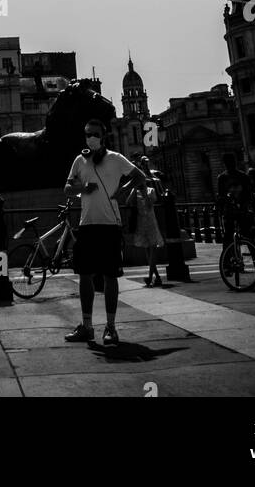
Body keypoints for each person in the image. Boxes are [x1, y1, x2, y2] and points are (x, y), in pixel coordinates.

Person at [63, 117, 150, 346]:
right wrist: (83, 188)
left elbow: (140, 177)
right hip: (86, 224)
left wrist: (123, 191)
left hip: (110, 224)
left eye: (95, 134)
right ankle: (87, 325)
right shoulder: (80, 160)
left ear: (103, 137)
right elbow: (67, 189)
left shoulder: (115, 159)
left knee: (111, 276)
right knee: (85, 275)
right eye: (87, 134)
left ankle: (111, 327)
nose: (90, 138)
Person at [216, 154, 255, 292]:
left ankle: (227, 265)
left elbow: (221, 197)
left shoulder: (223, 177)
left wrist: (224, 206)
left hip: (233, 211)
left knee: (229, 238)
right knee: (247, 240)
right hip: (239, 211)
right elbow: (248, 195)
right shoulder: (241, 176)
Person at [127, 159, 164, 287]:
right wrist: (134, 189)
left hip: (151, 223)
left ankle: (149, 277)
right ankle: (157, 277)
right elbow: (128, 202)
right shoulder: (135, 191)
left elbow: (149, 204)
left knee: (152, 251)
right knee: (148, 253)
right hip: (141, 224)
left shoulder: (150, 191)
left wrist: (144, 192)